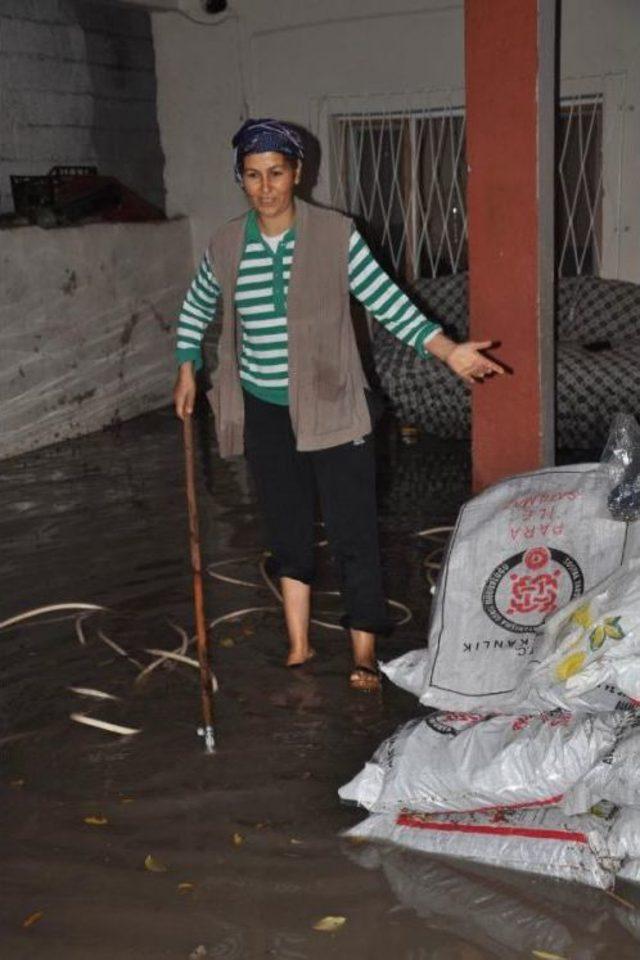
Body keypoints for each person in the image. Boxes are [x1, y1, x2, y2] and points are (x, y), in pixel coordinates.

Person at [173, 118, 503, 693]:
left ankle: (363, 653)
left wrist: (448, 350)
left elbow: (387, 301)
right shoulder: (226, 243)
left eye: (276, 172)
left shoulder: (334, 234)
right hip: (264, 409)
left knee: (353, 530)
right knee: (287, 527)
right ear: (241, 180)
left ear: (298, 173)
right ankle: (299, 644)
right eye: (253, 175)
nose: (266, 186)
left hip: (334, 403)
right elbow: (198, 305)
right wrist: (186, 365)